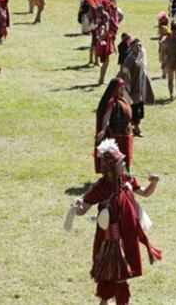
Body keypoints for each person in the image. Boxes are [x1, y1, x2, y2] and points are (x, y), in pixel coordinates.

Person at [72, 139, 161, 305]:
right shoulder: (101, 187)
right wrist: (77, 207)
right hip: (109, 239)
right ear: (110, 168)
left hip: (126, 234)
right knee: (112, 274)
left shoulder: (126, 178)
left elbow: (145, 193)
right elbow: (83, 209)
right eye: (120, 162)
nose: (124, 164)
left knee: (120, 275)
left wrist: (153, 183)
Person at [95, 77, 133, 171]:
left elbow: (131, 102)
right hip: (117, 134)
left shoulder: (123, 99)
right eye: (121, 87)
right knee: (118, 157)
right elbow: (106, 117)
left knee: (128, 155)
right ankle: (118, 175)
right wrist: (103, 130)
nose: (123, 88)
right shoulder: (112, 102)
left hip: (127, 133)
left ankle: (126, 174)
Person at [122, 40, 154, 137]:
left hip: (139, 88)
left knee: (140, 111)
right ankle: (136, 129)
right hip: (132, 88)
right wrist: (127, 87)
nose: (139, 48)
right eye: (137, 46)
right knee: (135, 110)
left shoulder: (140, 57)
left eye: (140, 45)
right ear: (132, 47)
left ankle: (132, 126)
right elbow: (125, 73)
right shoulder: (130, 59)